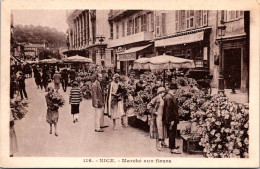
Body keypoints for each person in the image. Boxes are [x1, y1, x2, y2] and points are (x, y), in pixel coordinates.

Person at [147, 87, 168, 151]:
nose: (164, 93)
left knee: (163, 128)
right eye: (163, 92)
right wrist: (154, 111)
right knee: (158, 129)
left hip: (163, 115)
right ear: (160, 92)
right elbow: (148, 105)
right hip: (158, 116)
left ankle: (163, 142)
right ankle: (157, 144)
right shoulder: (156, 98)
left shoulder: (163, 98)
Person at [163, 83, 181, 154]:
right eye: (176, 89)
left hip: (172, 118)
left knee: (172, 133)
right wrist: (171, 120)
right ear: (173, 90)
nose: (176, 91)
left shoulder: (169, 96)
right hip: (172, 119)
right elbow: (168, 110)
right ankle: (172, 148)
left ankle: (172, 146)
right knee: (172, 133)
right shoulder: (169, 97)